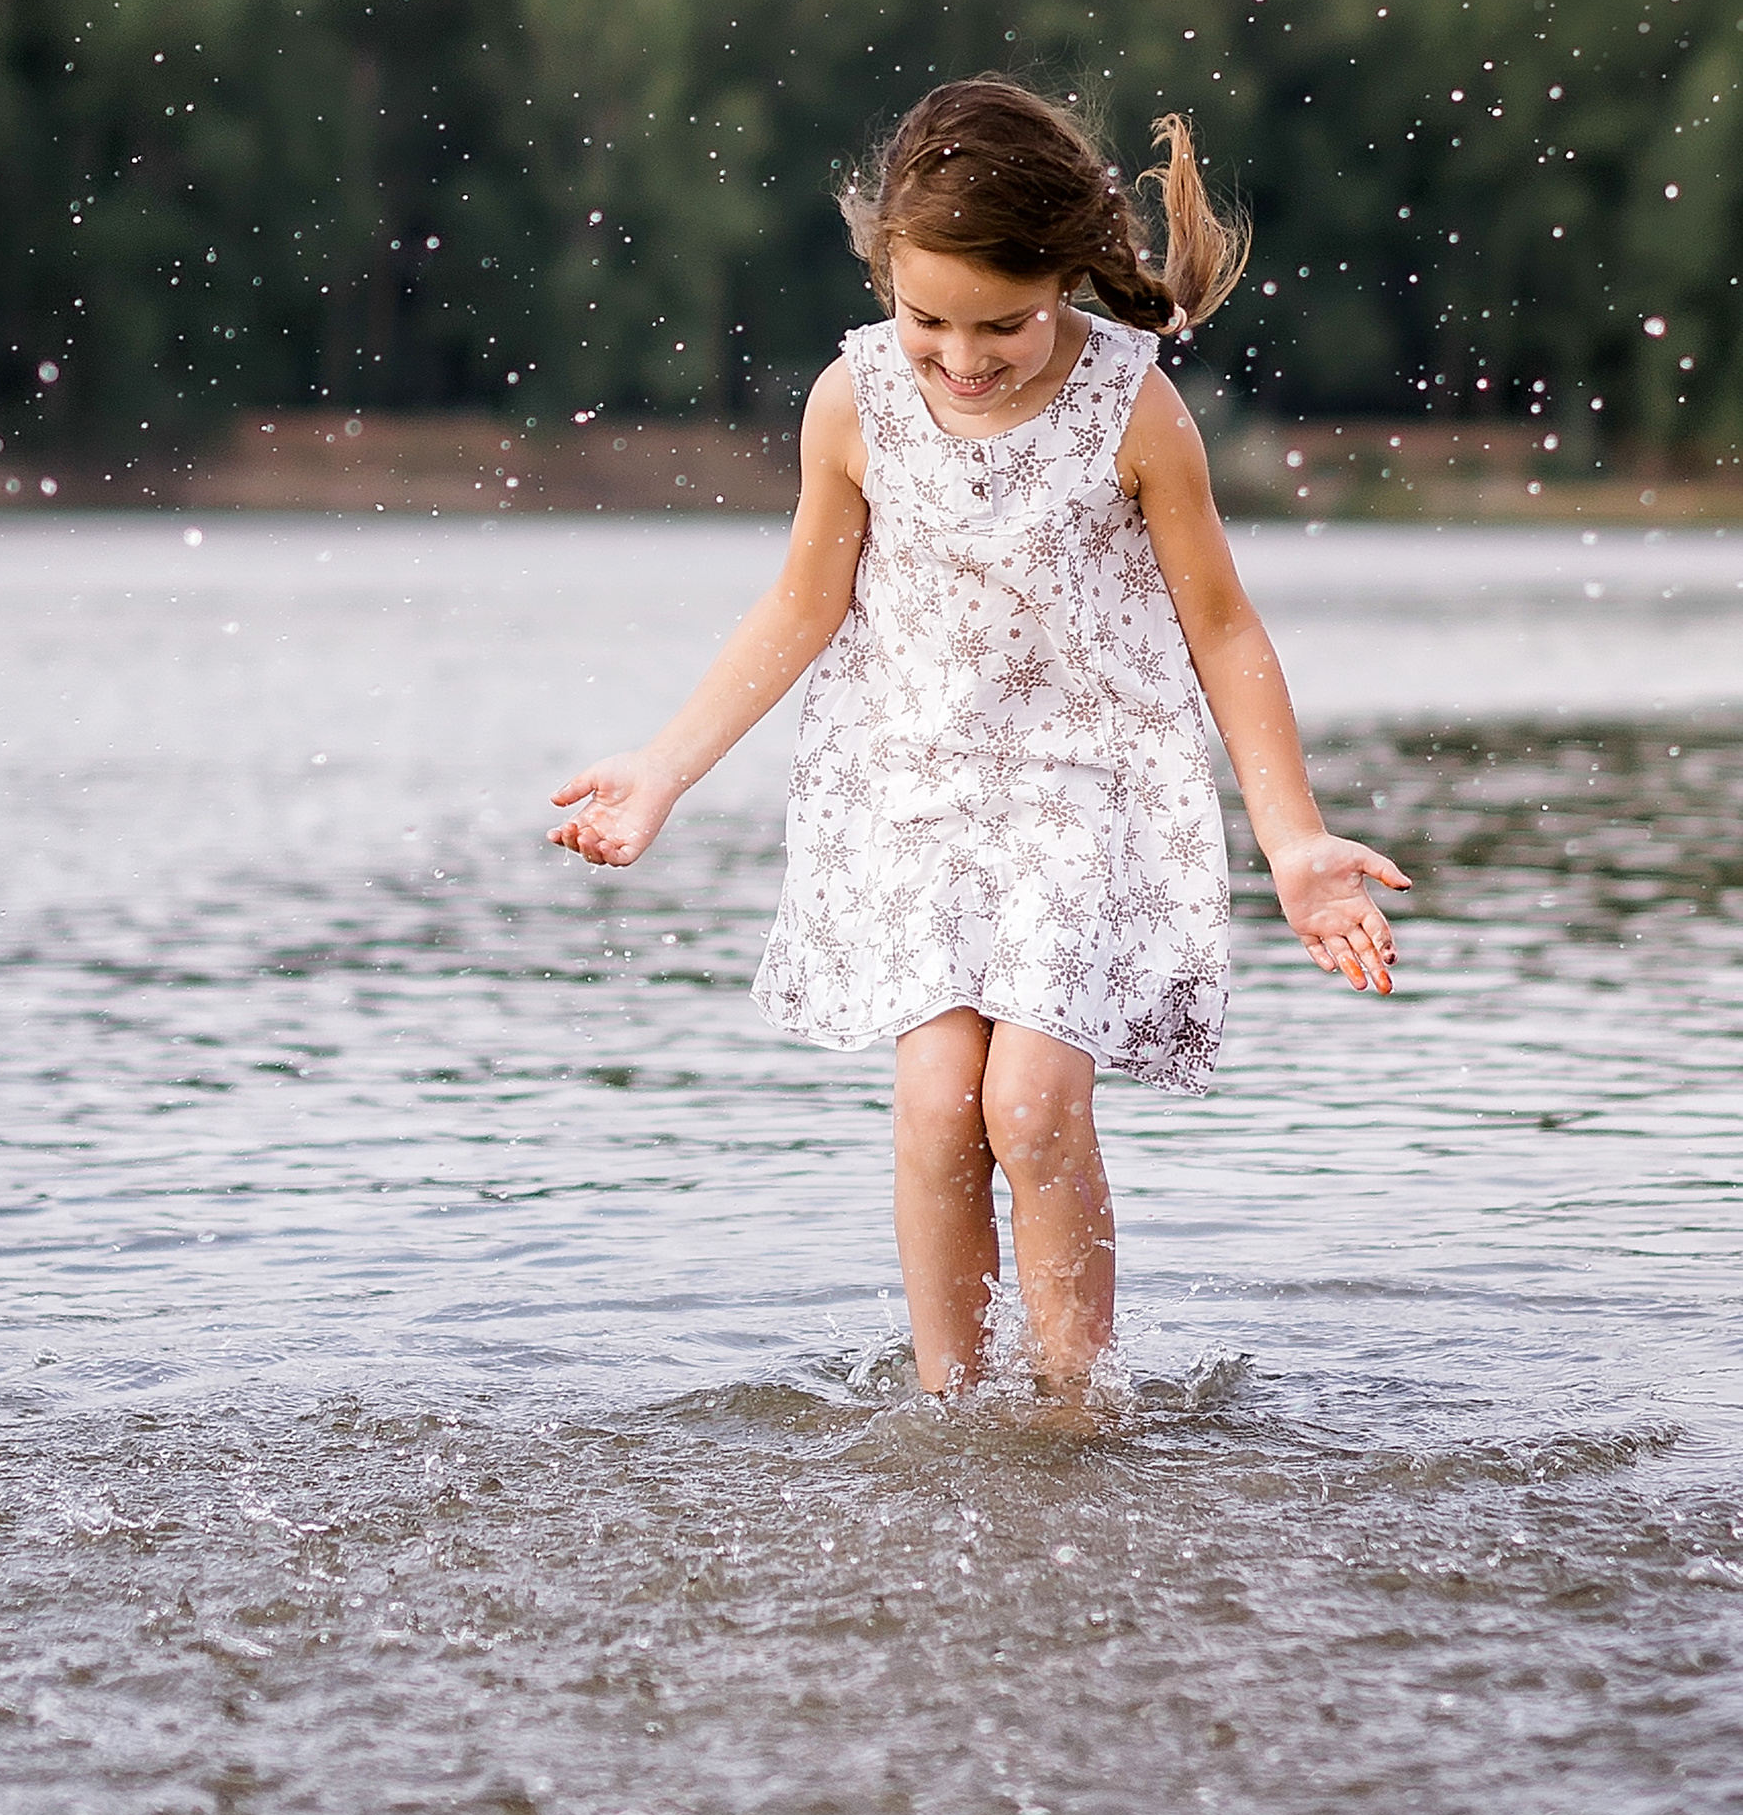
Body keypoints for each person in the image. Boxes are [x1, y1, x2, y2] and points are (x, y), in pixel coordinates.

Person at [548, 76, 1408, 1396]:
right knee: (938, 1106)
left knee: (1029, 1103)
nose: (960, 356)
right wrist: (663, 770)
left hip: (1087, 789)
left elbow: (1224, 630)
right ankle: (949, 1410)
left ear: (1065, 273)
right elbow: (801, 605)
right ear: (885, 274)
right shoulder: (853, 402)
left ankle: (1076, 1412)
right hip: (916, 793)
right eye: (927, 319)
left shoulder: (1132, 409)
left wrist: (1291, 841)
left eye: (1001, 323)